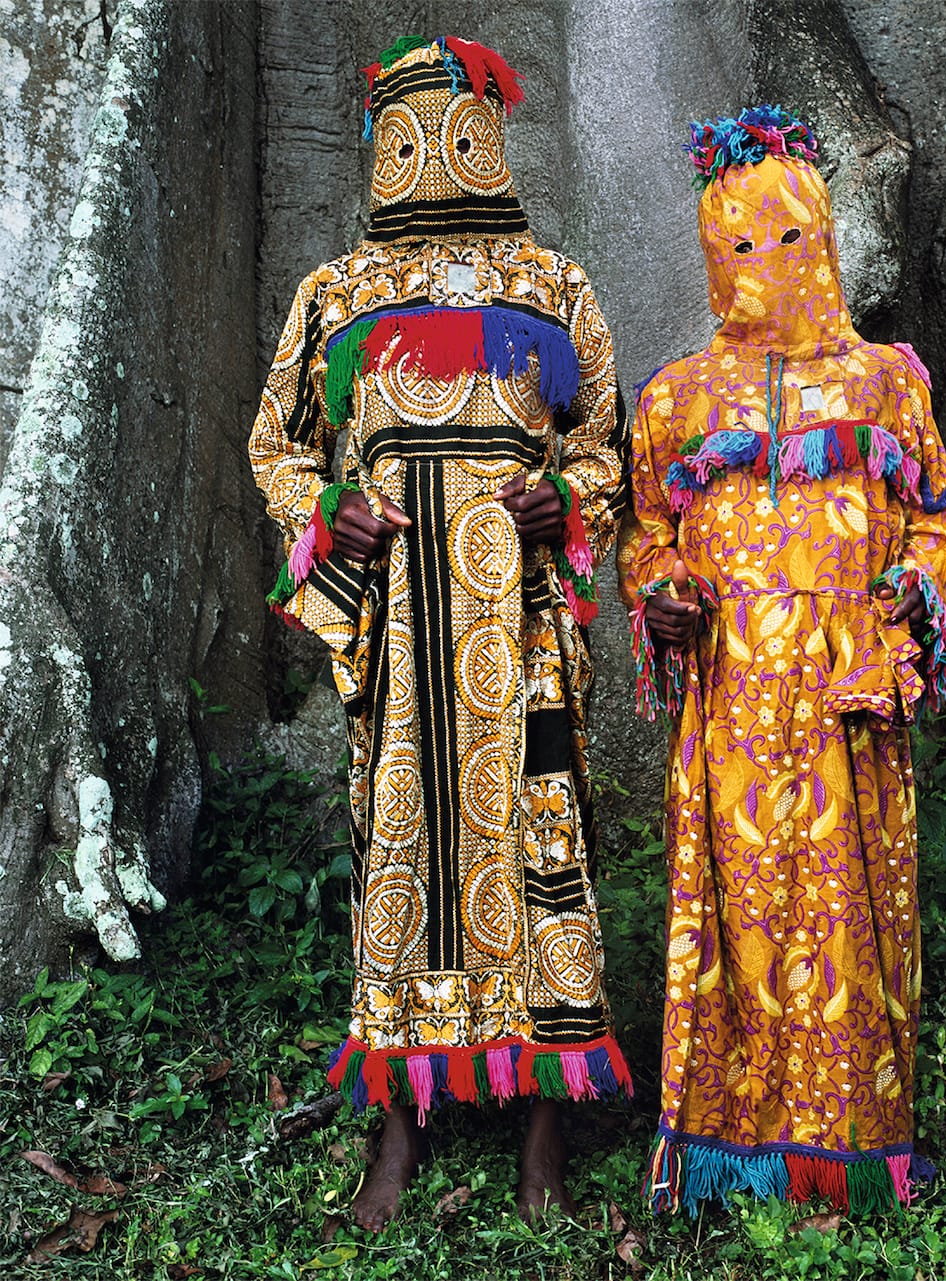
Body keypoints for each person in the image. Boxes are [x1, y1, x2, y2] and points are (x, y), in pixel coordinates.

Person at [249, 35, 630, 1230]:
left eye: (456, 128)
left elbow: (601, 447)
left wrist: (562, 500)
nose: (433, 157)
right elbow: (277, 444)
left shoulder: (553, 287)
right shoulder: (334, 294)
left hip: (515, 634)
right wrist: (324, 511)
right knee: (398, 856)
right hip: (402, 637)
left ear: (490, 132)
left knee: (540, 850)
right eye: (408, 133)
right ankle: (397, 1121)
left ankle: (541, 1131)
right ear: (381, 140)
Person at [619, 106, 946, 1216]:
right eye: (735, 246)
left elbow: (938, 518)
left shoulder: (884, 382)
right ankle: (729, 1149)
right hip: (724, 694)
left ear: (819, 238)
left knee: (849, 915)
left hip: (843, 694)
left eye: (783, 240)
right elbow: (643, 534)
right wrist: (661, 595)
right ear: (707, 255)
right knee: (732, 917)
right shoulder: (675, 396)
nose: (761, 266)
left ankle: (853, 1152)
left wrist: (901, 612)